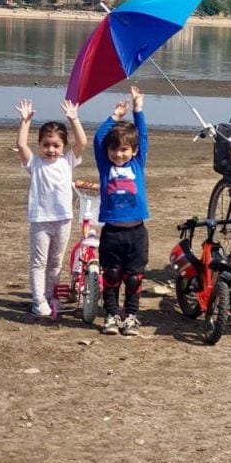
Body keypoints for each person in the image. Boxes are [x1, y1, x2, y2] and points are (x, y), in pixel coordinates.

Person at [15, 98, 88, 318]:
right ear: (40, 145)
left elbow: (82, 142)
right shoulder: (34, 163)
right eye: (46, 145)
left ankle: (50, 295)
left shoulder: (67, 161)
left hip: (63, 219)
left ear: (63, 147)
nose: (51, 149)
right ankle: (38, 300)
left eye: (56, 145)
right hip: (40, 220)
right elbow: (21, 145)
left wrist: (73, 119)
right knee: (39, 262)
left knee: (56, 262)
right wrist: (25, 121)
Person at [94, 85, 150, 337]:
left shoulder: (137, 163)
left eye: (124, 149)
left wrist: (138, 110)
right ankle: (111, 315)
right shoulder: (106, 167)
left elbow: (143, 136)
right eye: (114, 149)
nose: (119, 154)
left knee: (134, 277)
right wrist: (114, 116)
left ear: (134, 151)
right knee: (112, 274)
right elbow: (98, 139)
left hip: (137, 231)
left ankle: (131, 316)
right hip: (112, 232)